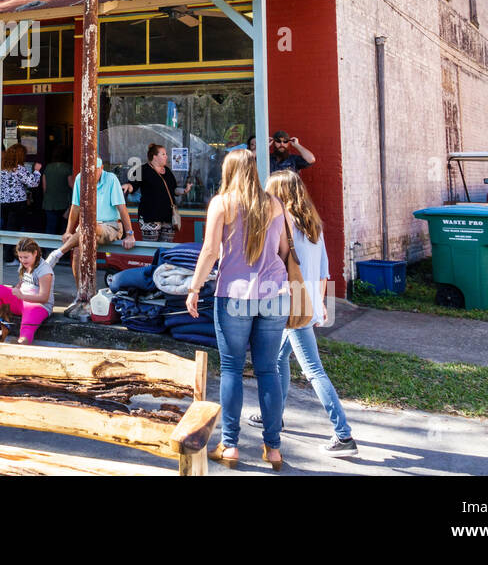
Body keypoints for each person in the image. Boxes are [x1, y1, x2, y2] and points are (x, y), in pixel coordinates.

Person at [186, 148, 290, 471]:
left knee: (231, 369)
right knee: (268, 369)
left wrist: (194, 288)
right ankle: (273, 449)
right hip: (274, 294)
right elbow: (285, 249)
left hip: (234, 295)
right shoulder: (274, 204)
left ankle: (230, 445)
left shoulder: (222, 203)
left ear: (228, 171)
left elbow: (209, 251)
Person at [258, 171, 357, 457]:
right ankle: (274, 417)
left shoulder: (281, 223)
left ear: (279, 194)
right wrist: (321, 302)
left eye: (269, 191)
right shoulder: (313, 224)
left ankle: (344, 434)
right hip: (308, 303)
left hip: (293, 306)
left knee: (313, 370)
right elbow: (325, 267)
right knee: (278, 359)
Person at [54, 157, 136, 262]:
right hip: (86, 227)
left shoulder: (111, 179)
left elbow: (122, 208)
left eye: (94, 170)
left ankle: (57, 253)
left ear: (101, 168)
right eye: (88, 170)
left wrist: (130, 235)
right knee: (78, 250)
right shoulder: (80, 178)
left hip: (110, 225)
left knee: (88, 227)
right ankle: (80, 279)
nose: (90, 174)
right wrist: (68, 232)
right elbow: (75, 207)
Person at [0, 237, 57, 344]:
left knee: (25, 333)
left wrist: (22, 296)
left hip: (38, 306)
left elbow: (44, 298)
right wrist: (15, 290)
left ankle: (20, 348)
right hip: (21, 300)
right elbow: (22, 282)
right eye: (20, 257)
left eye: (26, 257)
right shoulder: (24, 264)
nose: (23, 260)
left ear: (35, 253)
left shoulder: (45, 270)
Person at [123, 143, 193, 243]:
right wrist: (127, 186)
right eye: (163, 154)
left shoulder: (167, 171)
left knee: (165, 250)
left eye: (166, 154)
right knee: (151, 249)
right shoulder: (142, 169)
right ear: (154, 156)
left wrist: (184, 190)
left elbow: (173, 190)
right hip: (150, 216)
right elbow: (133, 185)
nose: (166, 156)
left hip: (168, 216)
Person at [0, 142, 41, 265]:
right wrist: (37, 171)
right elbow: (33, 183)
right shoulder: (18, 169)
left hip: (3, 203)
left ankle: (7, 256)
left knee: (6, 229)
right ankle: (11, 258)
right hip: (18, 204)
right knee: (14, 231)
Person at [41, 148, 74, 235]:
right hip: (64, 203)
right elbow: (72, 185)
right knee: (64, 228)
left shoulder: (48, 167)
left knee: (50, 227)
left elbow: (44, 187)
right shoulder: (68, 168)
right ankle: (63, 248)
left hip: (49, 202)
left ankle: (48, 248)